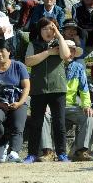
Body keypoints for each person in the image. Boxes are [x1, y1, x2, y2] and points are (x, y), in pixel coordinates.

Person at [24, 18, 73, 163]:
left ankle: (62, 153)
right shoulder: (34, 44)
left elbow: (66, 56)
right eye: (44, 28)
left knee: (59, 123)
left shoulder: (60, 42)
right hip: (39, 89)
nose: (48, 31)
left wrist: (59, 35)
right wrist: (49, 52)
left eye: (51, 28)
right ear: (39, 31)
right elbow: (28, 61)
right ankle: (32, 154)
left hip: (58, 88)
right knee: (36, 123)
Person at [0, 41, 30, 164]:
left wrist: (19, 103)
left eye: (2, 50)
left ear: (9, 52)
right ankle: (3, 144)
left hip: (18, 101)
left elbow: (26, 87)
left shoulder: (18, 66)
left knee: (18, 125)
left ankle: (14, 152)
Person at [62, 41, 93, 161]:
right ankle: (48, 152)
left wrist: (86, 105)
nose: (69, 53)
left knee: (89, 115)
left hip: (71, 105)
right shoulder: (52, 65)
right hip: (53, 105)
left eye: (72, 50)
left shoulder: (78, 67)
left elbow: (84, 89)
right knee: (44, 114)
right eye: (66, 49)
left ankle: (81, 151)